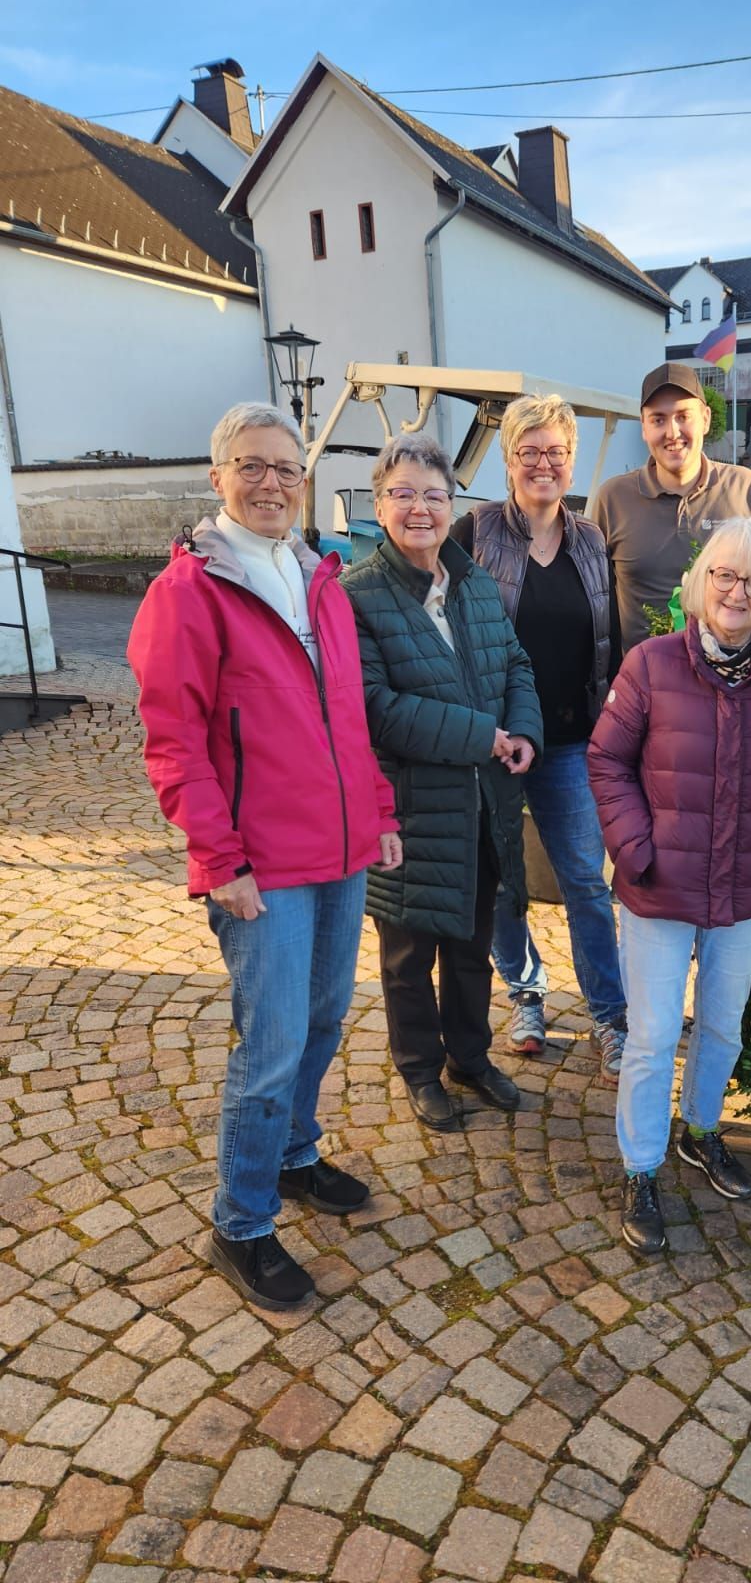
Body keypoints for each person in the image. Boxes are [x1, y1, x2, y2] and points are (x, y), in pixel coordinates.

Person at [127, 402, 402, 1312]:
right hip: (262, 866)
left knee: (323, 1021)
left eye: (287, 467)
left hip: (340, 848)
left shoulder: (318, 575)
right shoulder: (190, 592)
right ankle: (241, 1223)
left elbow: (348, 716)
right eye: (253, 466)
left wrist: (378, 810)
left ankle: (293, 1156)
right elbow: (174, 743)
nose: (273, 482)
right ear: (220, 478)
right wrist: (221, 858)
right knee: (272, 1042)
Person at [588, 518, 751, 1255]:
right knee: (653, 1036)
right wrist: (635, 847)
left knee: (721, 1025)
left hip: (746, 886)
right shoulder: (650, 664)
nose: (738, 592)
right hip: (659, 885)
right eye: (726, 574)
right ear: (700, 581)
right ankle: (642, 1168)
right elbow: (607, 762)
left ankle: (702, 1130)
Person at [342, 432, 543, 1134]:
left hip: (483, 802)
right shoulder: (356, 593)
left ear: (453, 503)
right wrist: (480, 736)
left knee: (471, 944)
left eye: (434, 495)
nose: (420, 508)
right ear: (379, 505)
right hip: (410, 808)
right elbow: (375, 708)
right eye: (404, 494)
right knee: (407, 955)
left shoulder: (474, 581)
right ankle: (421, 1071)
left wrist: (522, 731)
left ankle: (470, 1057)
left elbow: (515, 663)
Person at [451, 394, 627, 1078]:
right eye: (530, 452)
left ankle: (610, 1017)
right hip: (496, 739)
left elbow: (606, 638)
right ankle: (525, 991)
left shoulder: (589, 540)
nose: (543, 464)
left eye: (556, 452)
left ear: (571, 460)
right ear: (510, 460)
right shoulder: (476, 531)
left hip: (572, 740)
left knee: (586, 879)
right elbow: (450, 628)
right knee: (500, 880)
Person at [594, 361, 751, 651]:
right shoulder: (612, 499)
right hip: (644, 686)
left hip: (731, 679)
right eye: (658, 419)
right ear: (644, 427)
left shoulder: (744, 488)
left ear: (706, 419)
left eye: (683, 416)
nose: (672, 432)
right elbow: (595, 601)